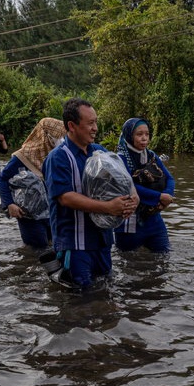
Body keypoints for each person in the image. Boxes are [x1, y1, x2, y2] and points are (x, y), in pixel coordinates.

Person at [44, 98, 138, 290]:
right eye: (90, 123)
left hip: (102, 241)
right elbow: (65, 197)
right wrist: (108, 207)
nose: (95, 128)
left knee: (104, 294)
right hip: (76, 245)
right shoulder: (59, 157)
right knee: (79, 300)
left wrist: (133, 198)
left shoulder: (99, 151)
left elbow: (123, 177)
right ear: (72, 126)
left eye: (96, 122)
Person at [0, 117, 66, 249]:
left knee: (54, 247)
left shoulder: (55, 156)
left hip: (50, 212)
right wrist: (9, 204)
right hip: (29, 215)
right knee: (36, 249)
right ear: (45, 136)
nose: (61, 140)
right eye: (58, 136)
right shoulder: (23, 156)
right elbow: (2, 179)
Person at [114, 117, 174, 252]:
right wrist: (159, 197)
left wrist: (168, 196)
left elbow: (169, 178)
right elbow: (129, 187)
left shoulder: (151, 155)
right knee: (128, 262)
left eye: (147, 134)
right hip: (129, 222)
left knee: (164, 257)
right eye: (139, 134)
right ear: (129, 135)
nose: (144, 138)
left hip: (153, 218)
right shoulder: (119, 159)